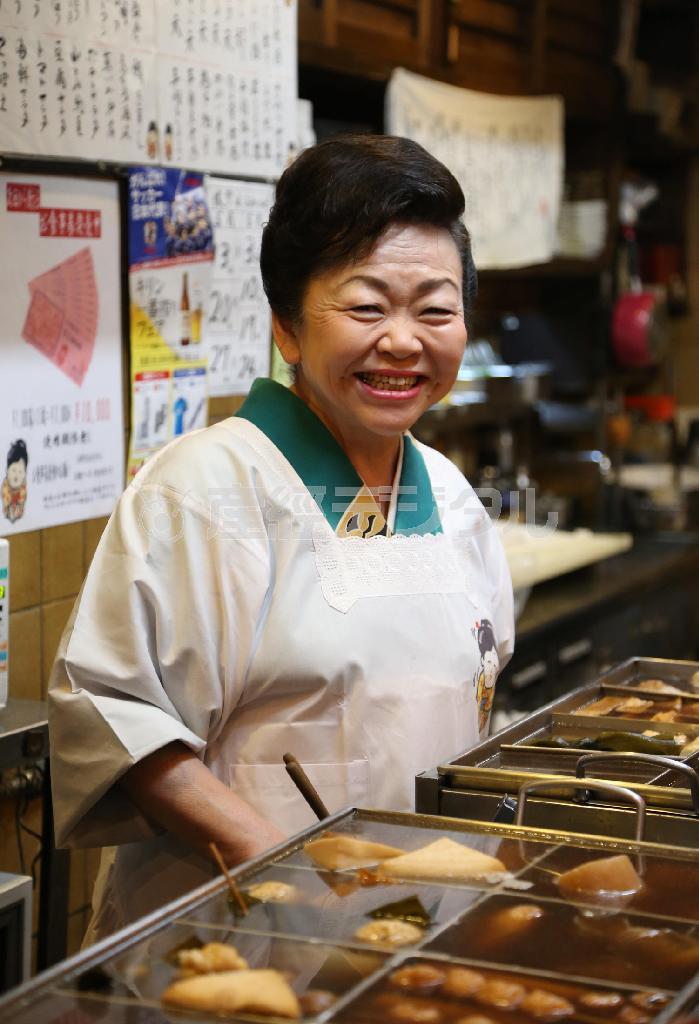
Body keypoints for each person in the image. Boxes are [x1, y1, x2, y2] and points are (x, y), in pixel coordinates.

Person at [49, 134, 514, 943]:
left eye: (434, 310)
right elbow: (114, 715)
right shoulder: (201, 488)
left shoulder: (450, 495)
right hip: (234, 938)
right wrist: (281, 867)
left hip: (416, 933)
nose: (403, 341)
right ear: (288, 329)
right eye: (365, 307)